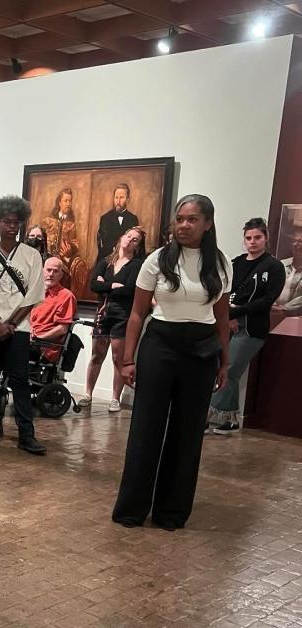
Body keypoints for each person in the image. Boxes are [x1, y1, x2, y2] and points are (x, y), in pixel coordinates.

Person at [112, 194, 232, 531]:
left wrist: (224, 362)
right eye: (179, 218)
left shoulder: (221, 263)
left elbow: (222, 318)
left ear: (207, 223)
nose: (184, 225)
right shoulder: (157, 260)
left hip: (201, 351)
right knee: (146, 427)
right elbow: (137, 314)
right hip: (160, 345)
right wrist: (127, 359)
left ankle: (171, 512)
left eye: (192, 219)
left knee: (188, 431)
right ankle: (132, 509)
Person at [0, 195, 46, 455]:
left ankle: (27, 433)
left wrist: (11, 324)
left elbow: (35, 292)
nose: (12, 226)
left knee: (20, 380)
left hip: (18, 328)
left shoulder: (31, 255)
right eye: (6, 221)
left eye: (16, 222)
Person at [207, 218, 284, 434]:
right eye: (248, 238)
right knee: (226, 370)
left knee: (229, 370)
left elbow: (266, 301)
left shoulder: (274, 266)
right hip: (227, 324)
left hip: (252, 328)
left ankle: (204, 416)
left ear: (266, 238)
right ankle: (231, 421)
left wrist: (234, 312)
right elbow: (224, 292)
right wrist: (226, 317)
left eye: (257, 237)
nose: (252, 242)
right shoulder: (236, 263)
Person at [80, 226, 146, 412]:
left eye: (135, 240)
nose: (129, 240)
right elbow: (93, 285)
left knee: (118, 358)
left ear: (137, 246)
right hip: (103, 313)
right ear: (121, 237)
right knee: (96, 355)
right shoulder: (106, 261)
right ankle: (87, 394)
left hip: (122, 316)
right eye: (128, 235)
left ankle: (115, 398)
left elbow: (129, 290)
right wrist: (112, 285)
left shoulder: (136, 265)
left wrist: (105, 285)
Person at [30, 256, 77, 362]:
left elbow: (62, 329)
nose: (51, 274)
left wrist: (38, 337)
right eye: (48, 270)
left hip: (44, 348)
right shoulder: (35, 292)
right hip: (28, 340)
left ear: (60, 275)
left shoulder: (66, 296)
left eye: (55, 271)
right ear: (42, 271)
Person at [41, 187, 88, 293]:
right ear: (59, 202)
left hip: (64, 258)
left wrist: (70, 249)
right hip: (48, 255)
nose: (68, 203)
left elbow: (75, 241)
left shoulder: (71, 223)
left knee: (76, 268)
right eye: (66, 201)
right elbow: (42, 238)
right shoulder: (48, 220)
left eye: (70, 201)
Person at [96, 183, 139, 266]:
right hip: (107, 259)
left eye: (121, 197)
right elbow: (105, 241)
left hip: (127, 260)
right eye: (116, 197)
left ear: (128, 199)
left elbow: (134, 242)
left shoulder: (133, 219)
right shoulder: (105, 218)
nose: (118, 201)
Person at [274, 229, 302, 318]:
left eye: (300, 241)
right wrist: (272, 305)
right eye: (294, 241)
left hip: (295, 317)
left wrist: (285, 308)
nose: (296, 244)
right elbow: (269, 287)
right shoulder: (281, 264)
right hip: (273, 313)